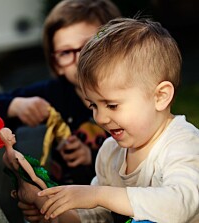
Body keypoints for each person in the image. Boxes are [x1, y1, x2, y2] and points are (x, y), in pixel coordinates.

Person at [33, 17, 199, 223]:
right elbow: (95, 216)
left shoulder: (183, 144)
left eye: (112, 105)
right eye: (93, 105)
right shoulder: (110, 153)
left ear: (160, 96)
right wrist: (53, 213)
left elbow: (179, 206)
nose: (100, 118)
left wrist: (99, 195)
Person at [0, 0, 121, 187]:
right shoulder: (54, 94)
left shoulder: (129, 96)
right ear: (57, 65)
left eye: (88, 47)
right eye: (65, 53)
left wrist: (93, 158)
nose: (79, 59)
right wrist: (16, 106)